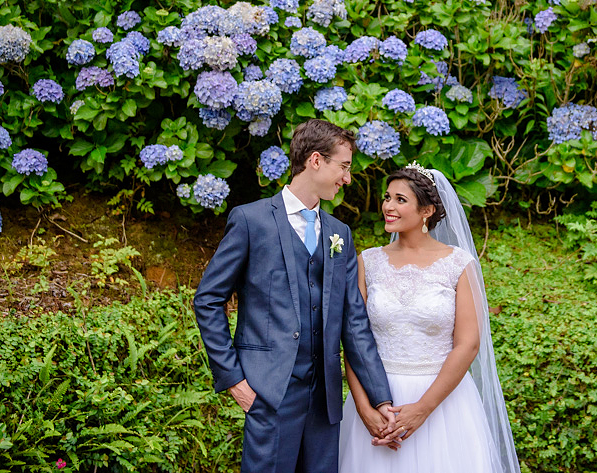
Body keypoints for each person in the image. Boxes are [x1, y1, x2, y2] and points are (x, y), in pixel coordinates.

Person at [194, 119, 397, 473]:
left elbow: (354, 321)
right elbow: (208, 300)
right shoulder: (250, 220)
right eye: (344, 167)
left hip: (325, 401)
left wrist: (381, 397)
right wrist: (234, 381)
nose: (347, 178)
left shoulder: (340, 234)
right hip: (269, 393)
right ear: (316, 160)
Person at [338, 162, 520, 473]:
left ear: (427, 211)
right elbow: (354, 339)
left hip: (442, 403)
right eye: (387, 197)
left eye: (400, 200)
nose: (388, 207)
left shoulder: (459, 264)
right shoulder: (367, 261)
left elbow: (468, 345)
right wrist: (364, 408)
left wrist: (422, 410)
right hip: (379, 398)